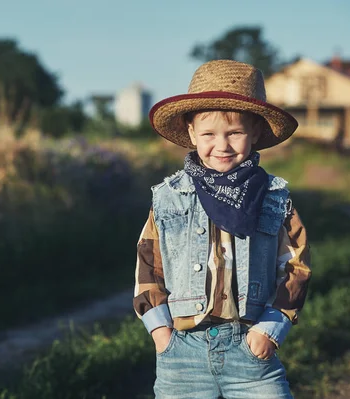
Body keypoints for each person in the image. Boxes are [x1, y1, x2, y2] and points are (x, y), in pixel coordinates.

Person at [133, 59, 311, 399]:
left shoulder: (273, 196)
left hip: (250, 349)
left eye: (235, 133)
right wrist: (160, 332)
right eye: (209, 134)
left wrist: (271, 329)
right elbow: (148, 263)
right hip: (182, 352)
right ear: (190, 133)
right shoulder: (170, 197)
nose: (222, 145)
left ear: (256, 131)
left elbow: (295, 265)